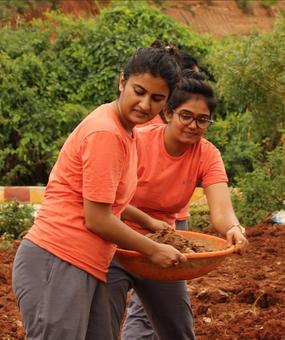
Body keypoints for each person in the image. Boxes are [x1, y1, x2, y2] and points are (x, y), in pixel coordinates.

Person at [11, 45, 187, 340]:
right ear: (122, 82)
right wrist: (153, 249)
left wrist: (148, 222)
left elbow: (107, 199)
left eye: (157, 98)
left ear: (166, 102)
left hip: (85, 264)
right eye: (139, 91)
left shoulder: (125, 130)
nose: (145, 104)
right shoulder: (106, 132)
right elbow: (97, 218)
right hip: (58, 259)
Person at [107, 70, 249, 340]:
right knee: (103, 326)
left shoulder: (207, 154)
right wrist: (145, 224)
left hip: (164, 250)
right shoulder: (137, 140)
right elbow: (110, 200)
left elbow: (220, 208)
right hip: (117, 243)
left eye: (202, 120)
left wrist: (233, 227)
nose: (193, 125)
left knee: (178, 331)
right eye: (186, 115)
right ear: (169, 113)